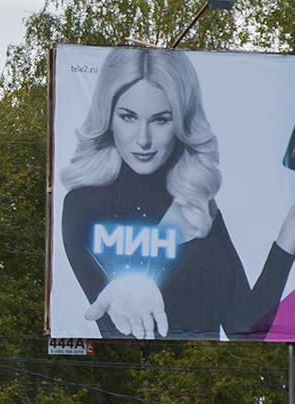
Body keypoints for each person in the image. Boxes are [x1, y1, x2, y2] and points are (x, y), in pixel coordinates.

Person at [59, 47, 295, 340]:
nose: (143, 140)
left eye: (160, 120)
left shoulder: (197, 205)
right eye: (128, 117)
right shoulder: (83, 206)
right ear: (107, 117)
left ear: (182, 121)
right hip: (132, 378)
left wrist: (287, 240)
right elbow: (114, 329)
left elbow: (245, 326)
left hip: (214, 377)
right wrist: (133, 285)